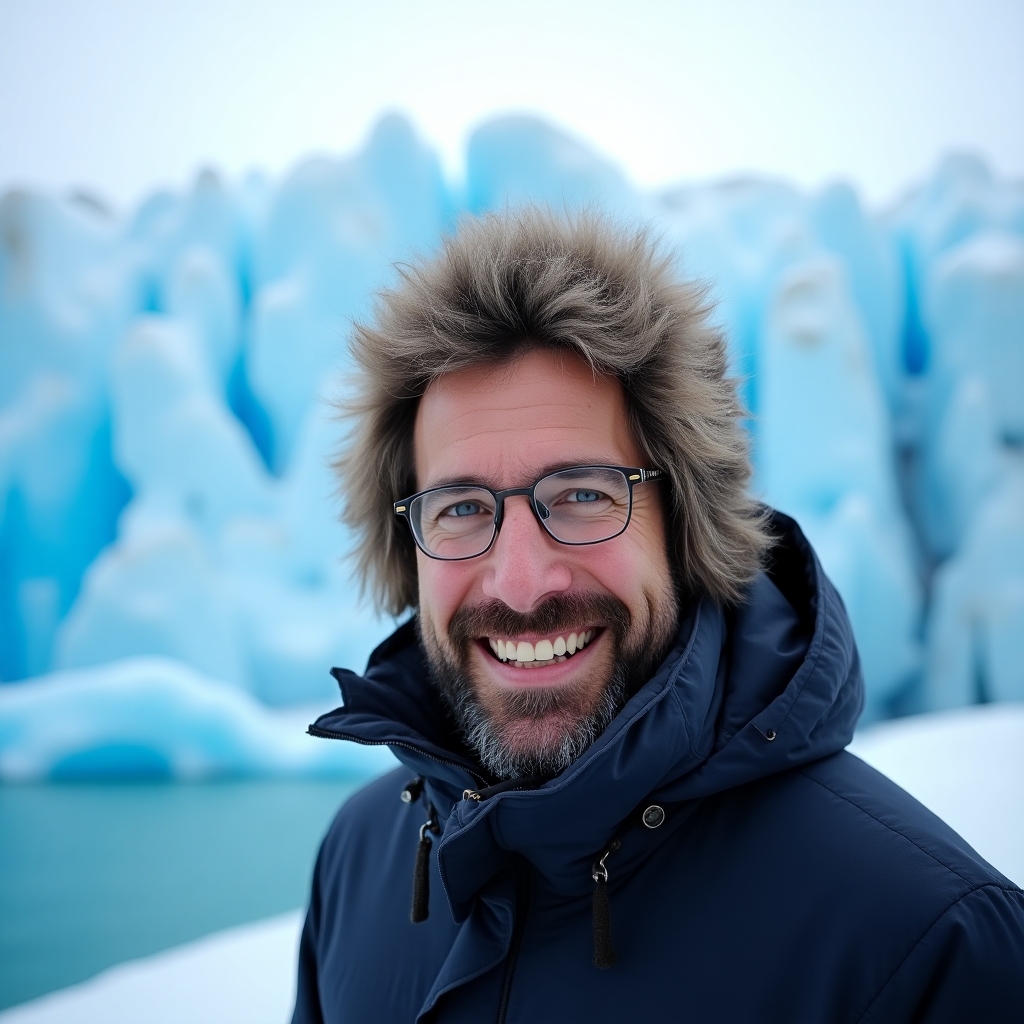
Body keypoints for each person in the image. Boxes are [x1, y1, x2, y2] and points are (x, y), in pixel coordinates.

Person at [292, 211, 1024, 1023]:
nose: (523, 584)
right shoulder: (362, 860)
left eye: (581, 496)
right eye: (461, 507)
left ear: (684, 526)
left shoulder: (926, 940)